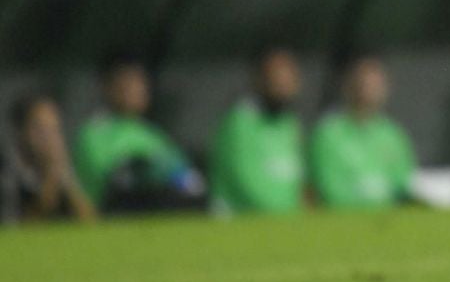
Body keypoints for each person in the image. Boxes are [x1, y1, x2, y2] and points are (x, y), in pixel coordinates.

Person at [73, 56, 204, 213]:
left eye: (140, 82)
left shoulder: (152, 134)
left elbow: (189, 180)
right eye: (128, 82)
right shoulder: (93, 134)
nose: (136, 89)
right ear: (107, 87)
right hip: (109, 221)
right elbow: (111, 182)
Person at [310, 55, 417, 210]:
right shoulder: (327, 134)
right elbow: (328, 189)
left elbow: (404, 184)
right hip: (345, 224)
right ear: (348, 86)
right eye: (363, 83)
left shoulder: (393, 134)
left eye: (375, 84)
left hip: (388, 224)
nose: (368, 90)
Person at [210, 47, 306, 215]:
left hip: (285, 228)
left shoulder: (290, 123)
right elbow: (245, 183)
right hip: (242, 226)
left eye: (288, 78)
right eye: (276, 78)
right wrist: (286, 217)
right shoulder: (239, 123)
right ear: (259, 79)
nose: (282, 85)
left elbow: (298, 181)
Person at [2, 94, 96, 224]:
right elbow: (17, 230)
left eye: (54, 129)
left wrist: (67, 180)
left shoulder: (64, 165)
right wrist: (50, 179)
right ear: (20, 132)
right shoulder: (7, 172)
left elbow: (90, 221)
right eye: (40, 129)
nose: (48, 139)